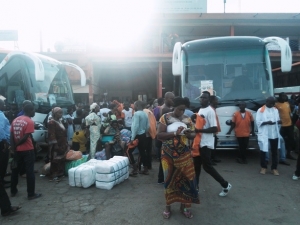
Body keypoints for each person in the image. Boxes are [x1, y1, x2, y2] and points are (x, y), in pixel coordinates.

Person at [157, 97, 199, 219]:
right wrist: (175, 133)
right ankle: (168, 207)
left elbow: (193, 134)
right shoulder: (165, 118)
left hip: (184, 154)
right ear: (174, 107)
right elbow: (159, 135)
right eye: (180, 109)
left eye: (183, 110)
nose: (182, 112)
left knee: (186, 179)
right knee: (169, 180)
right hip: (168, 154)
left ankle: (184, 206)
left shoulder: (187, 119)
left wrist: (188, 134)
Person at [193, 91, 232, 196]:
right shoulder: (201, 109)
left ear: (209, 100)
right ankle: (195, 189)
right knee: (196, 166)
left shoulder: (210, 111)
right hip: (198, 142)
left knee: (207, 167)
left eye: (205, 98)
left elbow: (214, 128)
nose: (202, 99)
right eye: (201, 97)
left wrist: (199, 130)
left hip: (206, 143)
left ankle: (225, 184)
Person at [10, 103, 42, 200]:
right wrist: (17, 144)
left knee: (15, 170)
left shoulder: (15, 120)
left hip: (17, 151)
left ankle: (13, 191)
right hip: (27, 150)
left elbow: (11, 135)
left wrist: (13, 147)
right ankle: (31, 194)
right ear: (30, 110)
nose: (34, 112)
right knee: (30, 172)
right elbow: (26, 137)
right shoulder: (29, 121)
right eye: (33, 110)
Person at [256, 97, 281, 175]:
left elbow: (277, 119)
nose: (272, 105)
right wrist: (266, 122)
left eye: (273, 103)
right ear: (266, 102)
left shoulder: (275, 110)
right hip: (264, 133)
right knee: (263, 151)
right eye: (271, 103)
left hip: (274, 133)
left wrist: (279, 121)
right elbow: (258, 122)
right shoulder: (261, 110)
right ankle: (263, 167)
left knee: (274, 152)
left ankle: (274, 168)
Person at [128, 101, 150, 175]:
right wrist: (144, 132)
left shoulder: (136, 114)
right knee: (142, 152)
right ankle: (145, 169)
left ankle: (134, 169)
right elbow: (148, 126)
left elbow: (135, 126)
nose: (133, 107)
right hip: (143, 135)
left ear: (137, 106)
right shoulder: (145, 114)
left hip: (137, 135)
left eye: (134, 105)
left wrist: (132, 138)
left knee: (128, 151)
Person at [157, 92, 175, 184]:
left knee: (164, 158)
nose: (173, 100)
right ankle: (163, 178)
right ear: (166, 98)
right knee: (165, 158)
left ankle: (162, 178)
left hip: (165, 136)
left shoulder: (166, 107)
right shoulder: (165, 109)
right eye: (171, 98)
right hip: (164, 136)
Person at [48, 107, 69, 182]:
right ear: (54, 114)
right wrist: (55, 144)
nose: (61, 114)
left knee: (62, 158)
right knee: (55, 160)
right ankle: (53, 175)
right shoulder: (52, 122)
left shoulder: (60, 121)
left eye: (61, 113)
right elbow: (51, 134)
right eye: (59, 113)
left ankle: (60, 173)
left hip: (62, 143)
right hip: (56, 144)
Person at [275, 93, 296, 160]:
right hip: (281, 126)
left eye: (285, 96)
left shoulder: (287, 103)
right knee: (281, 141)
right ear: (280, 97)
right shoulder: (276, 105)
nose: (285, 97)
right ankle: (281, 155)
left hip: (289, 124)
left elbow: (289, 113)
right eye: (283, 96)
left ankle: (288, 154)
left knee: (290, 139)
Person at [0, 100, 11, 188]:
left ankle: (2, 180)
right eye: (3, 104)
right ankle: (2, 183)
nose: (5, 105)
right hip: (2, 143)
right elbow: (0, 129)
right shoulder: (0, 115)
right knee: (3, 162)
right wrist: (4, 141)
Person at [143, 103, 157, 170]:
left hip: (145, 134)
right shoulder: (150, 112)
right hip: (151, 133)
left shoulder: (143, 112)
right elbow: (155, 123)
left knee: (143, 151)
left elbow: (146, 125)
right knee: (149, 150)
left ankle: (145, 166)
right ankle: (149, 166)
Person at [209, 95, 221, 165]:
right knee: (211, 146)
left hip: (213, 131)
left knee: (214, 145)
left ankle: (213, 158)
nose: (217, 101)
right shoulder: (210, 109)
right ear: (212, 101)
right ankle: (210, 160)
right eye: (216, 100)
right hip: (211, 131)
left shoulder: (213, 108)